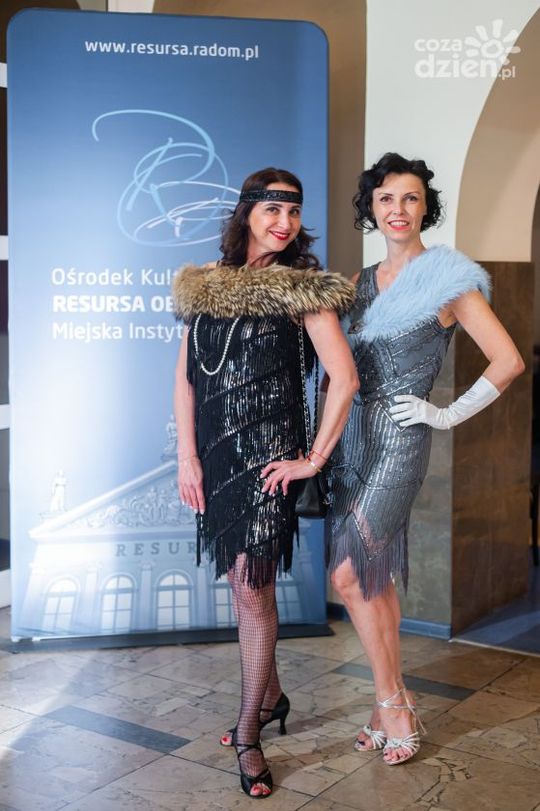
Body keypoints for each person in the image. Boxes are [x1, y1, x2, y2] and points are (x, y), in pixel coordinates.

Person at [328, 152, 525, 766]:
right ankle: (385, 703)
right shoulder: (359, 282)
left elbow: (509, 361)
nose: (398, 209)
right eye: (386, 198)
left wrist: (444, 414)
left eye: (410, 198)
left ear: (425, 208)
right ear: (371, 208)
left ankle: (394, 704)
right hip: (353, 439)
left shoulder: (448, 280)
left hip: (400, 438)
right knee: (373, 577)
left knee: (348, 575)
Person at [172, 167, 358, 798]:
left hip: (269, 465)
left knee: (252, 591)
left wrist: (313, 459)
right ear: (247, 211)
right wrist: (188, 457)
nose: (285, 223)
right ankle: (273, 695)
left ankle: (250, 729)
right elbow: (185, 380)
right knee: (241, 584)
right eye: (273, 210)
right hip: (217, 461)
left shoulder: (303, 288)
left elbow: (345, 379)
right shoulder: (206, 282)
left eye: (294, 212)